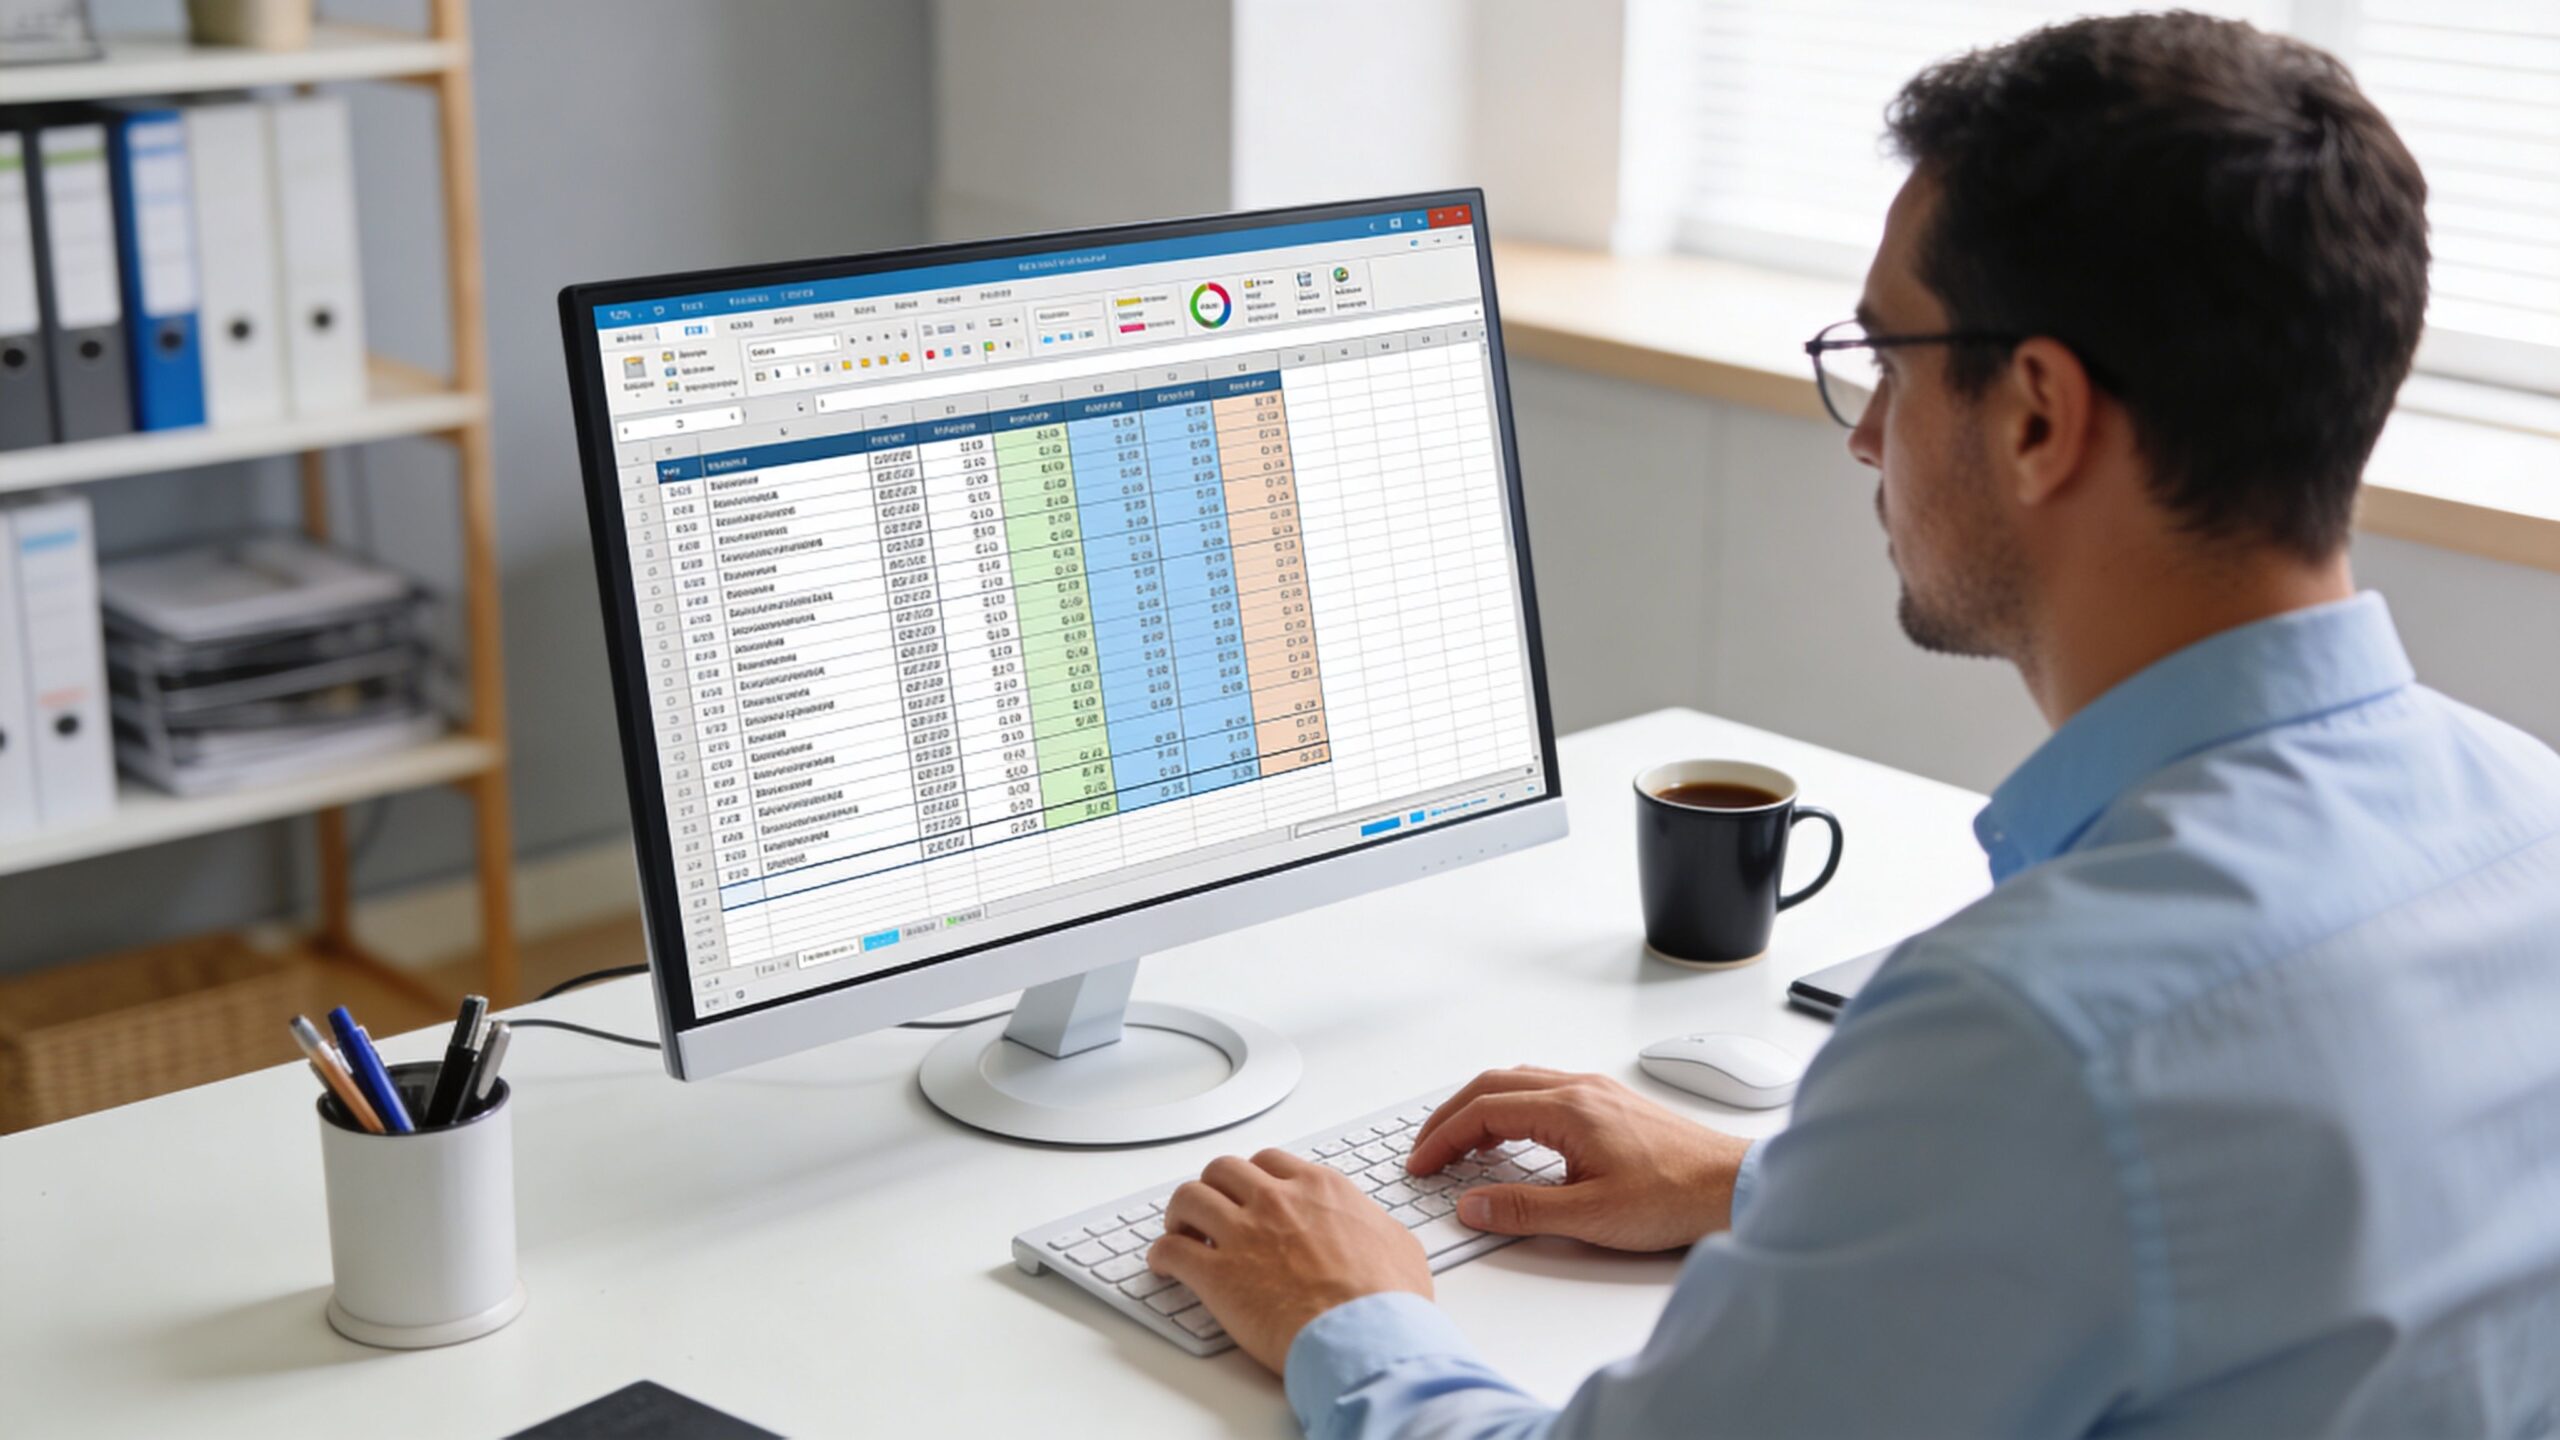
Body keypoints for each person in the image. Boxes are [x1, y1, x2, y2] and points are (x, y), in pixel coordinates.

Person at [1140, 12, 2560, 1437]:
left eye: (1889, 357)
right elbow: (2246, 1246)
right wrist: (1773, 1188)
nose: (1867, 434)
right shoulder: (2530, 820)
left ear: (2037, 418)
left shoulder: (2032, 1037)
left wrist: (1350, 1312)